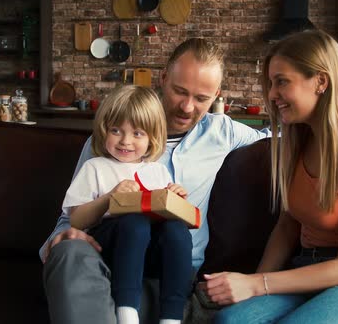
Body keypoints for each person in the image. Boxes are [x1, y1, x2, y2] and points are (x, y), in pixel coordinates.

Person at [41, 38, 271, 324]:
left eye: (201, 98)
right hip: (106, 261)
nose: (187, 107)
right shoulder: (109, 142)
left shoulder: (223, 132)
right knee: (70, 252)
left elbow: (280, 138)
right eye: (179, 91)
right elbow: (71, 217)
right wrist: (58, 241)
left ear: (217, 96)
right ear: (163, 79)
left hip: (170, 272)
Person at [203, 30, 338, 323]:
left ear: (321, 81)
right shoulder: (297, 143)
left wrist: (255, 284)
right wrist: (254, 285)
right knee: (230, 320)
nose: (272, 95)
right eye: (271, 84)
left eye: (282, 82)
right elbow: (287, 228)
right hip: (305, 270)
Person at [61, 85, 192, 324]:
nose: (125, 141)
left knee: (177, 230)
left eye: (138, 133)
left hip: (150, 252)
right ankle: (127, 312)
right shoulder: (96, 167)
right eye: (116, 130)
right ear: (104, 130)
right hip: (111, 246)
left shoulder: (158, 171)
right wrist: (110, 198)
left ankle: (172, 317)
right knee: (135, 221)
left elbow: (170, 221)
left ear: (153, 137)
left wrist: (175, 199)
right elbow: (77, 220)